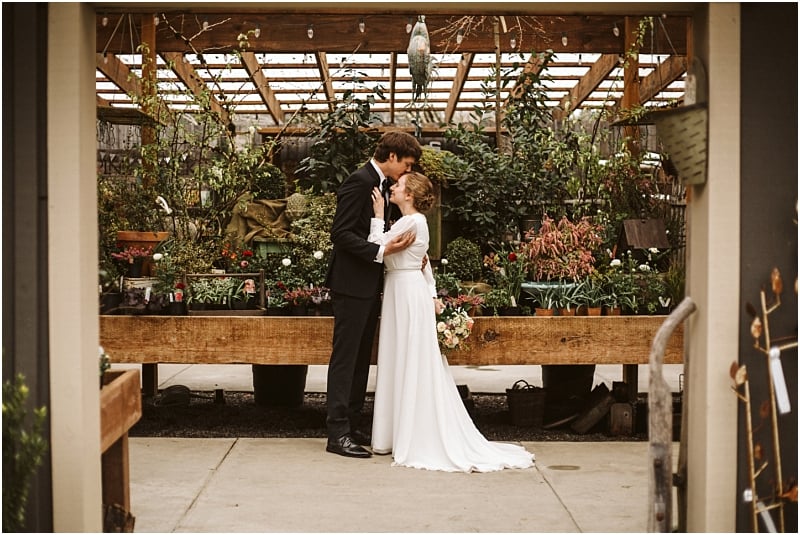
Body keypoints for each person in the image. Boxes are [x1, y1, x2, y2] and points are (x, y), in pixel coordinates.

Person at [367, 171, 535, 473]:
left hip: (404, 293)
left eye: (399, 185)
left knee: (407, 358)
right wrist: (431, 292)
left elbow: (376, 248)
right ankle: (397, 431)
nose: (393, 187)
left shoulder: (412, 221)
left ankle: (406, 434)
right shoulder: (414, 223)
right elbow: (425, 261)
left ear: (411, 195)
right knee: (403, 358)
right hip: (404, 290)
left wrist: (377, 216)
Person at [324, 130, 423, 459]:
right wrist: (380, 254)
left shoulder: (381, 186)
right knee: (346, 359)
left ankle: (351, 423)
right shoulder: (359, 181)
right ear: (392, 157)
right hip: (351, 284)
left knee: (361, 358)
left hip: (369, 285)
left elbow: (382, 234)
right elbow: (340, 234)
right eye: (406, 165)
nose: (407, 173)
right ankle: (337, 432)